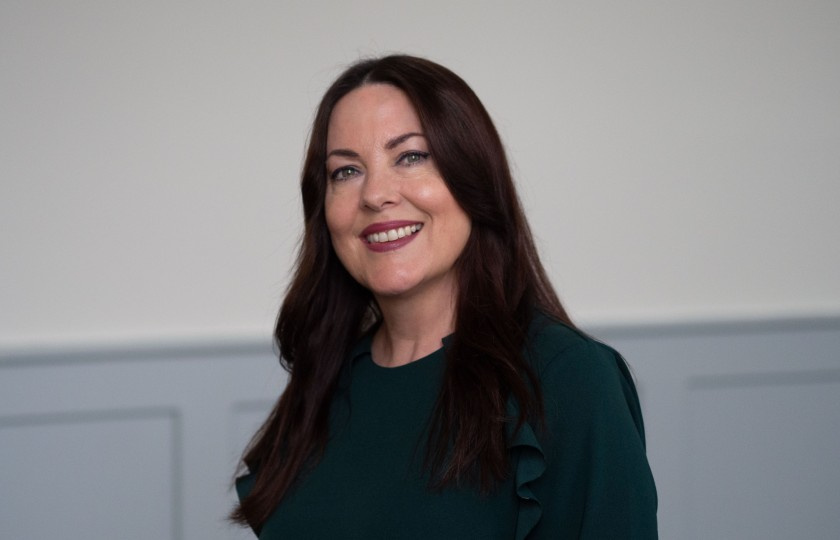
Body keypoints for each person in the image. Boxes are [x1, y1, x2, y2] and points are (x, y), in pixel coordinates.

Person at [231, 54, 658, 539]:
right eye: (345, 171)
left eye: (411, 157)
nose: (376, 194)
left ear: (474, 178)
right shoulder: (325, 378)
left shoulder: (571, 381)